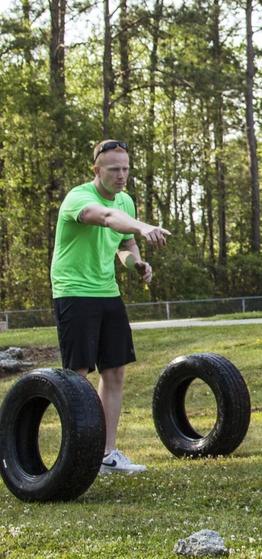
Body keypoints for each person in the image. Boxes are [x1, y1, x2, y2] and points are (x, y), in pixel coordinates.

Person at [50, 139, 171, 473]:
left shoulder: (127, 201)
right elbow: (105, 217)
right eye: (114, 169)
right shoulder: (79, 198)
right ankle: (76, 454)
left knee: (114, 370)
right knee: (77, 376)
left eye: (126, 169)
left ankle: (107, 454)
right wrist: (144, 226)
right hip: (74, 291)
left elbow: (124, 243)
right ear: (97, 171)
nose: (121, 176)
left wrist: (136, 263)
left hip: (107, 291)